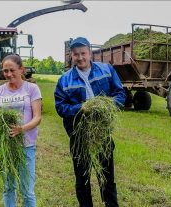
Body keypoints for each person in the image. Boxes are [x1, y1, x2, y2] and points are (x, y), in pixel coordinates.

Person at [54, 37, 126, 207]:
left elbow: (120, 95)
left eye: (83, 53)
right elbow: (60, 108)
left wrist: (106, 106)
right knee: (82, 181)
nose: (80, 57)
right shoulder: (64, 80)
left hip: (101, 133)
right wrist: (81, 108)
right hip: (78, 136)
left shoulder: (106, 70)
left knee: (107, 179)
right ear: (71, 56)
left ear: (90, 53)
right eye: (76, 54)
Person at [0, 54, 42, 207]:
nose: (8, 74)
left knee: (27, 191)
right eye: (5, 71)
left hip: (26, 145)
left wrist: (21, 129)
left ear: (21, 69)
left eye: (12, 70)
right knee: (8, 188)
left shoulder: (31, 88)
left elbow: (37, 117)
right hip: (6, 146)